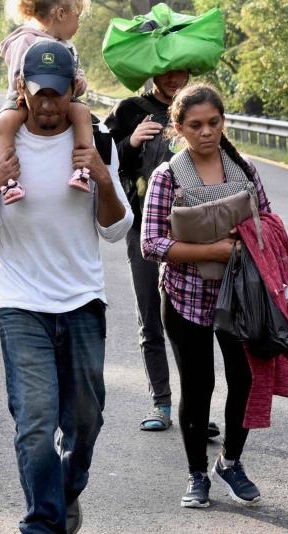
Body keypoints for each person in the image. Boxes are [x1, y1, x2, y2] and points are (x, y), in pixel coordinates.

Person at [0, 40, 133, 533]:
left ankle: (65, 490)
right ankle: (43, 522)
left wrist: (101, 177)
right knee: (35, 426)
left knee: (84, 421)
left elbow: (116, 229)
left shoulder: (95, 143)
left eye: (58, 94)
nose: (50, 105)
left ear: (73, 89)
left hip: (82, 300)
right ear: (22, 89)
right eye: (40, 95)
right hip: (20, 303)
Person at [141, 83, 272, 508]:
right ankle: (197, 474)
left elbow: (268, 221)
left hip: (240, 298)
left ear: (223, 122)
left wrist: (251, 236)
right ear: (177, 128)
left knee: (245, 382)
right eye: (195, 125)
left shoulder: (244, 169)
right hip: (184, 298)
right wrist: (212, 250)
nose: (206, 133)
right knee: (197, 388)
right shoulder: (168, 176)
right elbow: (151, 243)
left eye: (213, 123)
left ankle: (231, 462)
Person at [106, 70, 217, 438]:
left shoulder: (198, 110)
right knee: (151, 319)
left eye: (181, 72)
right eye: (167, 72)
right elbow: (101, 162)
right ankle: (161, 403)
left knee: (193, 324)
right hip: (144, 231)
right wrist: (130, 142)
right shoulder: (130, 111)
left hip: (193, 232)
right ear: (153, 69)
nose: (175, 79)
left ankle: (194, 408)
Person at [0, 0, 95, 205]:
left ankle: (82, 170)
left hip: (64, 98)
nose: (78, 24)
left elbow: (77, 77)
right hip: (24, 99)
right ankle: (9, 181)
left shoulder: (67, 46)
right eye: (78, 17)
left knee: (83, 113)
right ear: (61, 14)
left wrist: (78, 83)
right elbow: (16, 80)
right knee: (5, 123)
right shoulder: (25, 40)